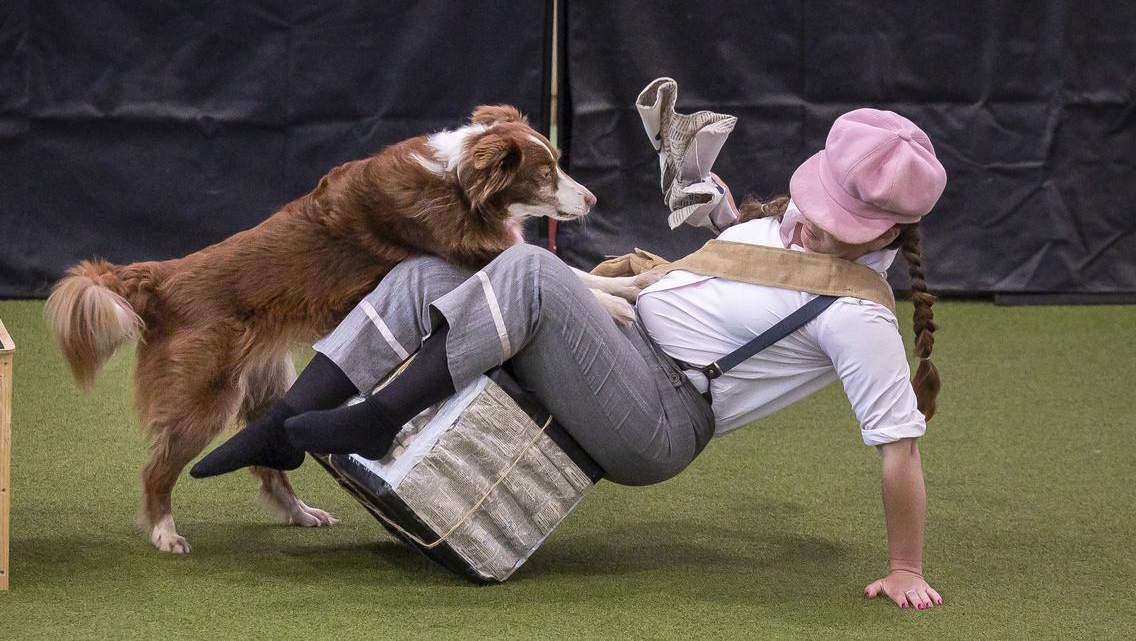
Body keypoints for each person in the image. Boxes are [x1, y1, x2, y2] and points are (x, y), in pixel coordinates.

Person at [191, 108, 945, 610]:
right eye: (810, 204)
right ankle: (285, 423)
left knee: (532, 269)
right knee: (426, 272)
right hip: (621, 345)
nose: (809, 223)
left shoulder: (858, 313)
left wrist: (906, 566)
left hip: (660, 417)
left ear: (881, 234)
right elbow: (754, 248)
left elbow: (899, 442)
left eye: (833, 222)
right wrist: (712, 202)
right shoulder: (789, 227)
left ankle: (378, 417)